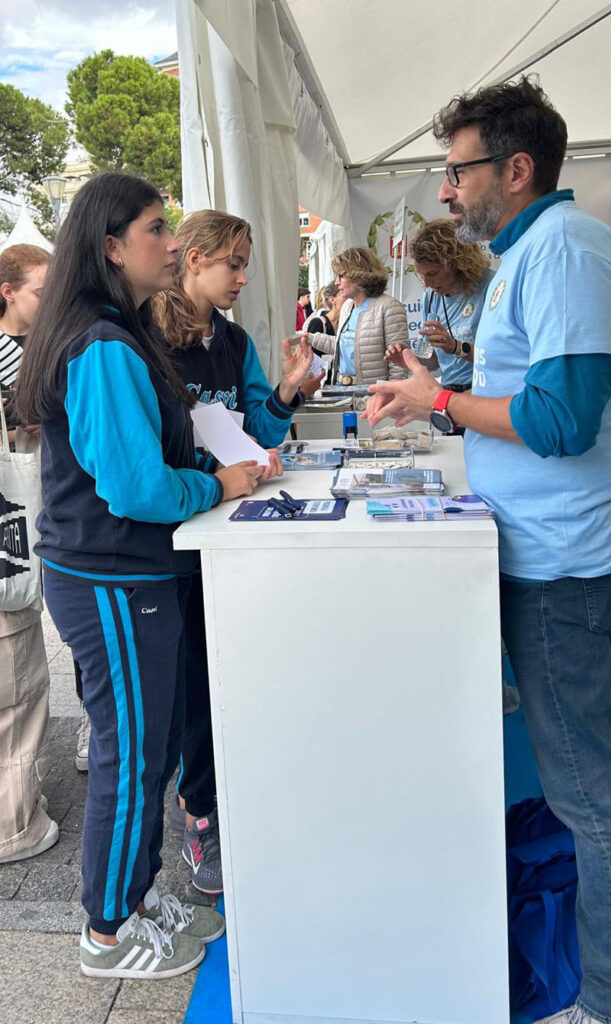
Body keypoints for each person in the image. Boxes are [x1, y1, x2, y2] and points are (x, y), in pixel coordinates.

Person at [365, 77, 611, 1024]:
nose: (446, 191)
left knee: (590, 796)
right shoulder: (539, 252)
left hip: (566, 560)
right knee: (586, 778)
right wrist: (437, 392)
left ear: (515, 168)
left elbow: (560, 418)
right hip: (556, 547)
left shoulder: (565, 252)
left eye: (457, 171)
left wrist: (437, 403)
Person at [14, 172, 272, 980]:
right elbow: (134, 485)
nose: (171, 242)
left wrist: (204, 464)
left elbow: (145, 456)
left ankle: (135, 891)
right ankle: (107, 929)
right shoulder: (100, 342)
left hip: (119, 574)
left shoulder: (111, 332)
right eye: (156, 228)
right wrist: (217, 483)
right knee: (133, 757)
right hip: (113, 577)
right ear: (111, 246)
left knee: (147, 749)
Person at [153, 208, 315, 894]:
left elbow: (258, 424)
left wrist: (285, 390)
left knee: (238, 664)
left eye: (244, 264)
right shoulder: (144, 339)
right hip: (177, 541)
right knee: (194, 678)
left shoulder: (236, 339)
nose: (243, 278)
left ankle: (238, 790)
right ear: (194, 258)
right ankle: (201, 813)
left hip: (234, 532)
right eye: (234, 264)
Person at [0, 243, 58, 866]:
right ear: (9, 292)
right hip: (11, 527)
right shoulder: (17, 358)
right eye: (41, 291)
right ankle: (14, 825)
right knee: (17, 683)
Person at [386, 219, 494, 390]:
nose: (427, 283)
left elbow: (501, 357)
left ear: (457, 263)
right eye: (422, 276)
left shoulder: (491, 286)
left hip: (486, 392)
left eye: (433, 274)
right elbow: (433, 362)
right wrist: (408, 360)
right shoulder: (432, 297)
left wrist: (456, 347)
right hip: (450, 391)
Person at [306, 247, 408, 386]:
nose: (336, 283)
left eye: (341, 276)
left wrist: (392, 396)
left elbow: (398, 364)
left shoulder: (389, 306)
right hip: (342, 390)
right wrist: (308, 337)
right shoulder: (348, 306)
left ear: (358, 276)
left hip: (372, 395)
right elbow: (342, 346)